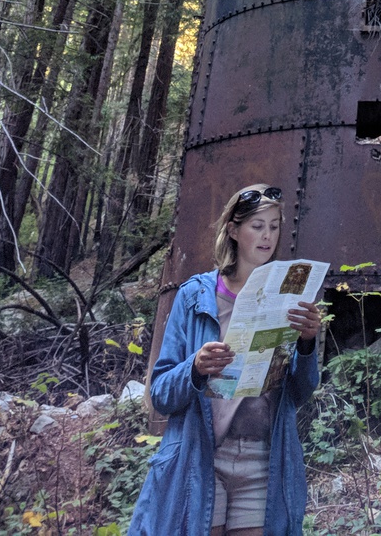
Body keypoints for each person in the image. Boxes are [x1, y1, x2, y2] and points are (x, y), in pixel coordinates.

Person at [128, 184, 322, 536]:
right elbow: (159, 394)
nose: (267, 237)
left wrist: (307, 344)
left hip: (261, 459)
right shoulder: (194, 296)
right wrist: (195, 368)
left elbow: (301, 392)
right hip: (202, 457)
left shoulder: (287, 297)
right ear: (233, 230)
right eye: (257, 226)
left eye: (274, 226)